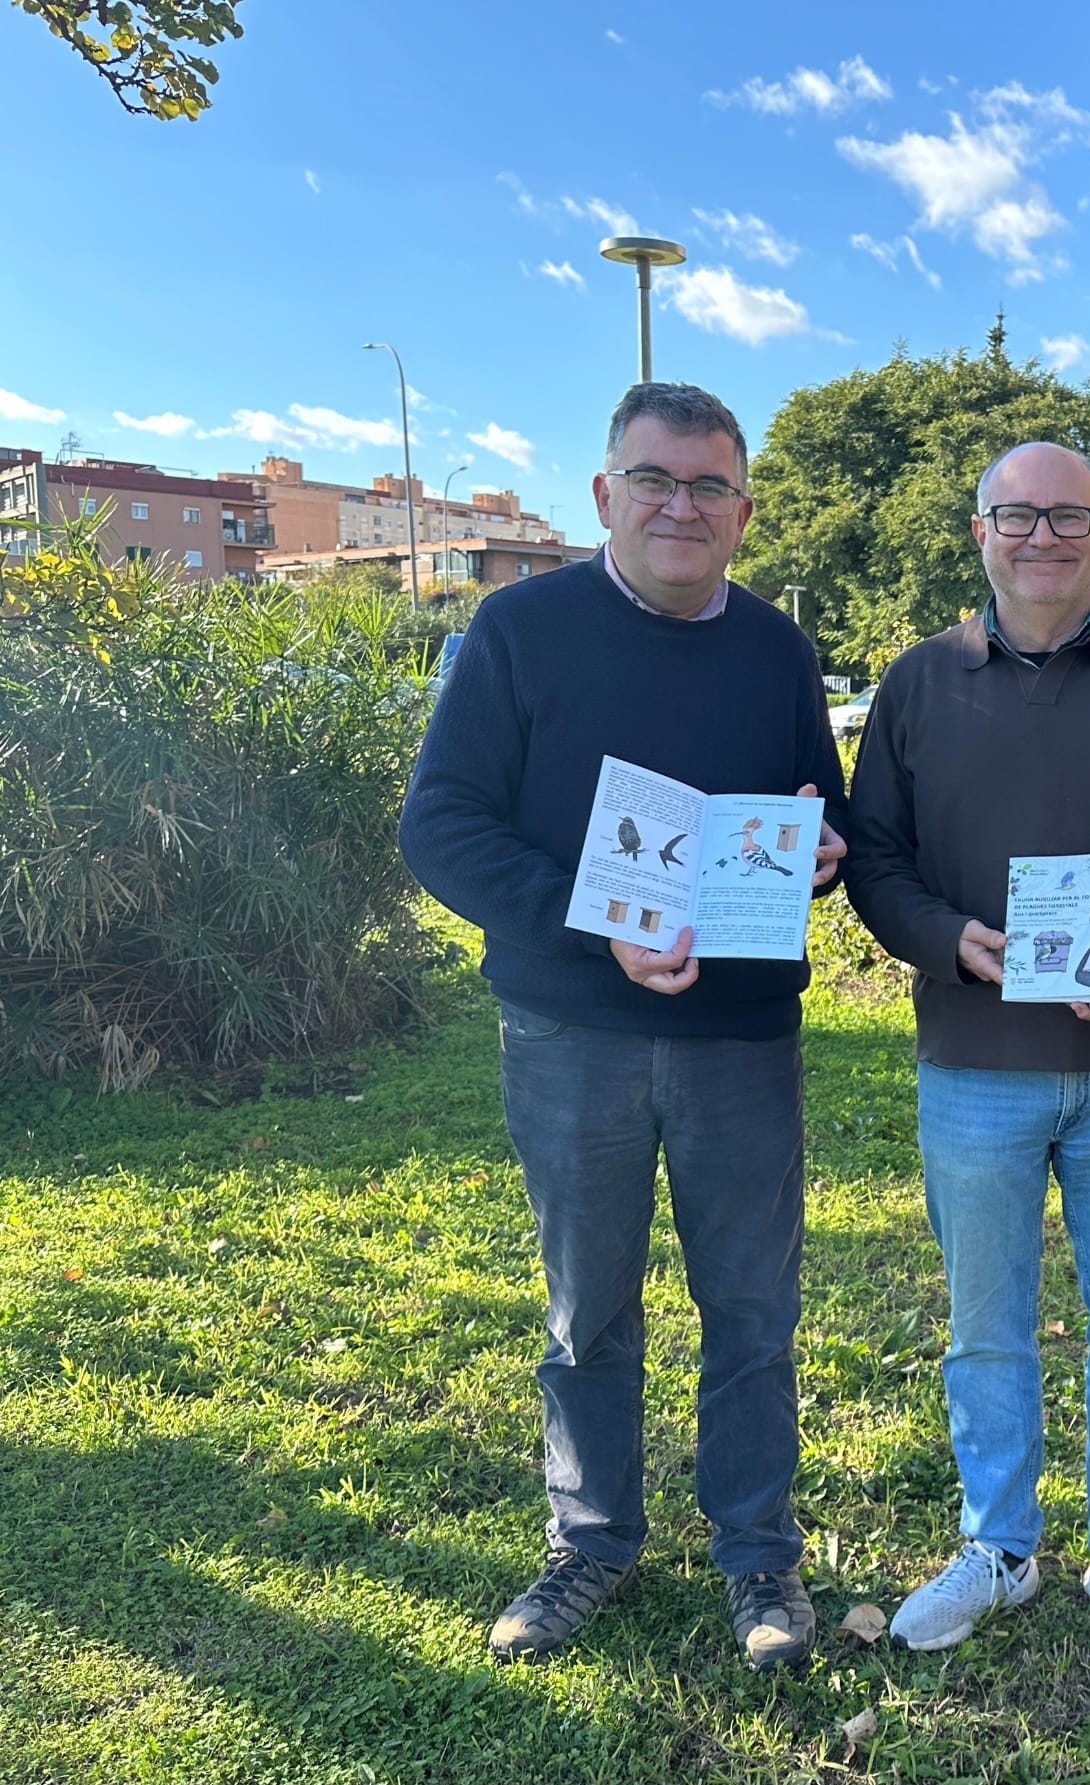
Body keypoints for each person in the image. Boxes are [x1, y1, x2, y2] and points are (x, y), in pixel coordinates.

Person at [398, 382, 847, 1672]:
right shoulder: (518, 629)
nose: (679, 506)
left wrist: (823, 848)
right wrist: (596, 927)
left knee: (751, 1314)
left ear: (743, 512)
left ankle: (759, 1560)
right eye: (654, 480)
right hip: (568, 1033)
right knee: (587, 1311)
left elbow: (823, 811)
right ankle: (590, 1542)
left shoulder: (777, 651)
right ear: (604, 494)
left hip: (741, 1043)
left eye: (708, 486)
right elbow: (439, 827)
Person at [844, 442, 1090, 1668]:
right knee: (983, 1328)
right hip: (971, 1060)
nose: (1043, 536)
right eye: (1017, 515)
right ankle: (998, 1547)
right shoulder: (915, 684)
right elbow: (873, 860)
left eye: (1070, 514)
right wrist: (949, 941)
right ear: (977, 534)